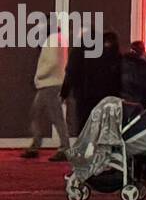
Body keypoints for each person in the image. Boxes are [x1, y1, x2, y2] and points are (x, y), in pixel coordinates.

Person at [62, 30, 121, 134]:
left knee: (84, 123)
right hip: (103, 94)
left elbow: (71, 72)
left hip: (83, 95)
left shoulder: (78, 51)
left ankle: (86, 146)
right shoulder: (105, 52)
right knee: (102, 124)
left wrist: (64, 92)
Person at [23, 31, 70, 161]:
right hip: (51, 83)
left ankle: (64, 148)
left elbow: (52, 62)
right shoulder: (59, 39)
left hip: (49, 83)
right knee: (39, 114)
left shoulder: (53, 40)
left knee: (54, 116)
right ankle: (36, 144)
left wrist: (38, 76)